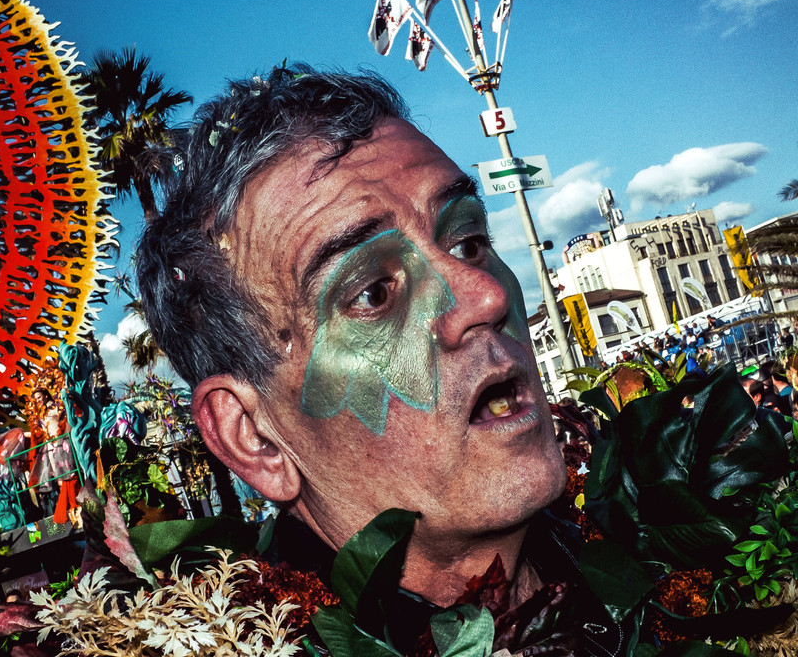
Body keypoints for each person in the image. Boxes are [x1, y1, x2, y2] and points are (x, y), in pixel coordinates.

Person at [136, 67, 618, 651]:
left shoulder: (664, 543)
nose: (486, 296)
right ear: (256, 439)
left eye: (468, 242)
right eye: (373, 294)